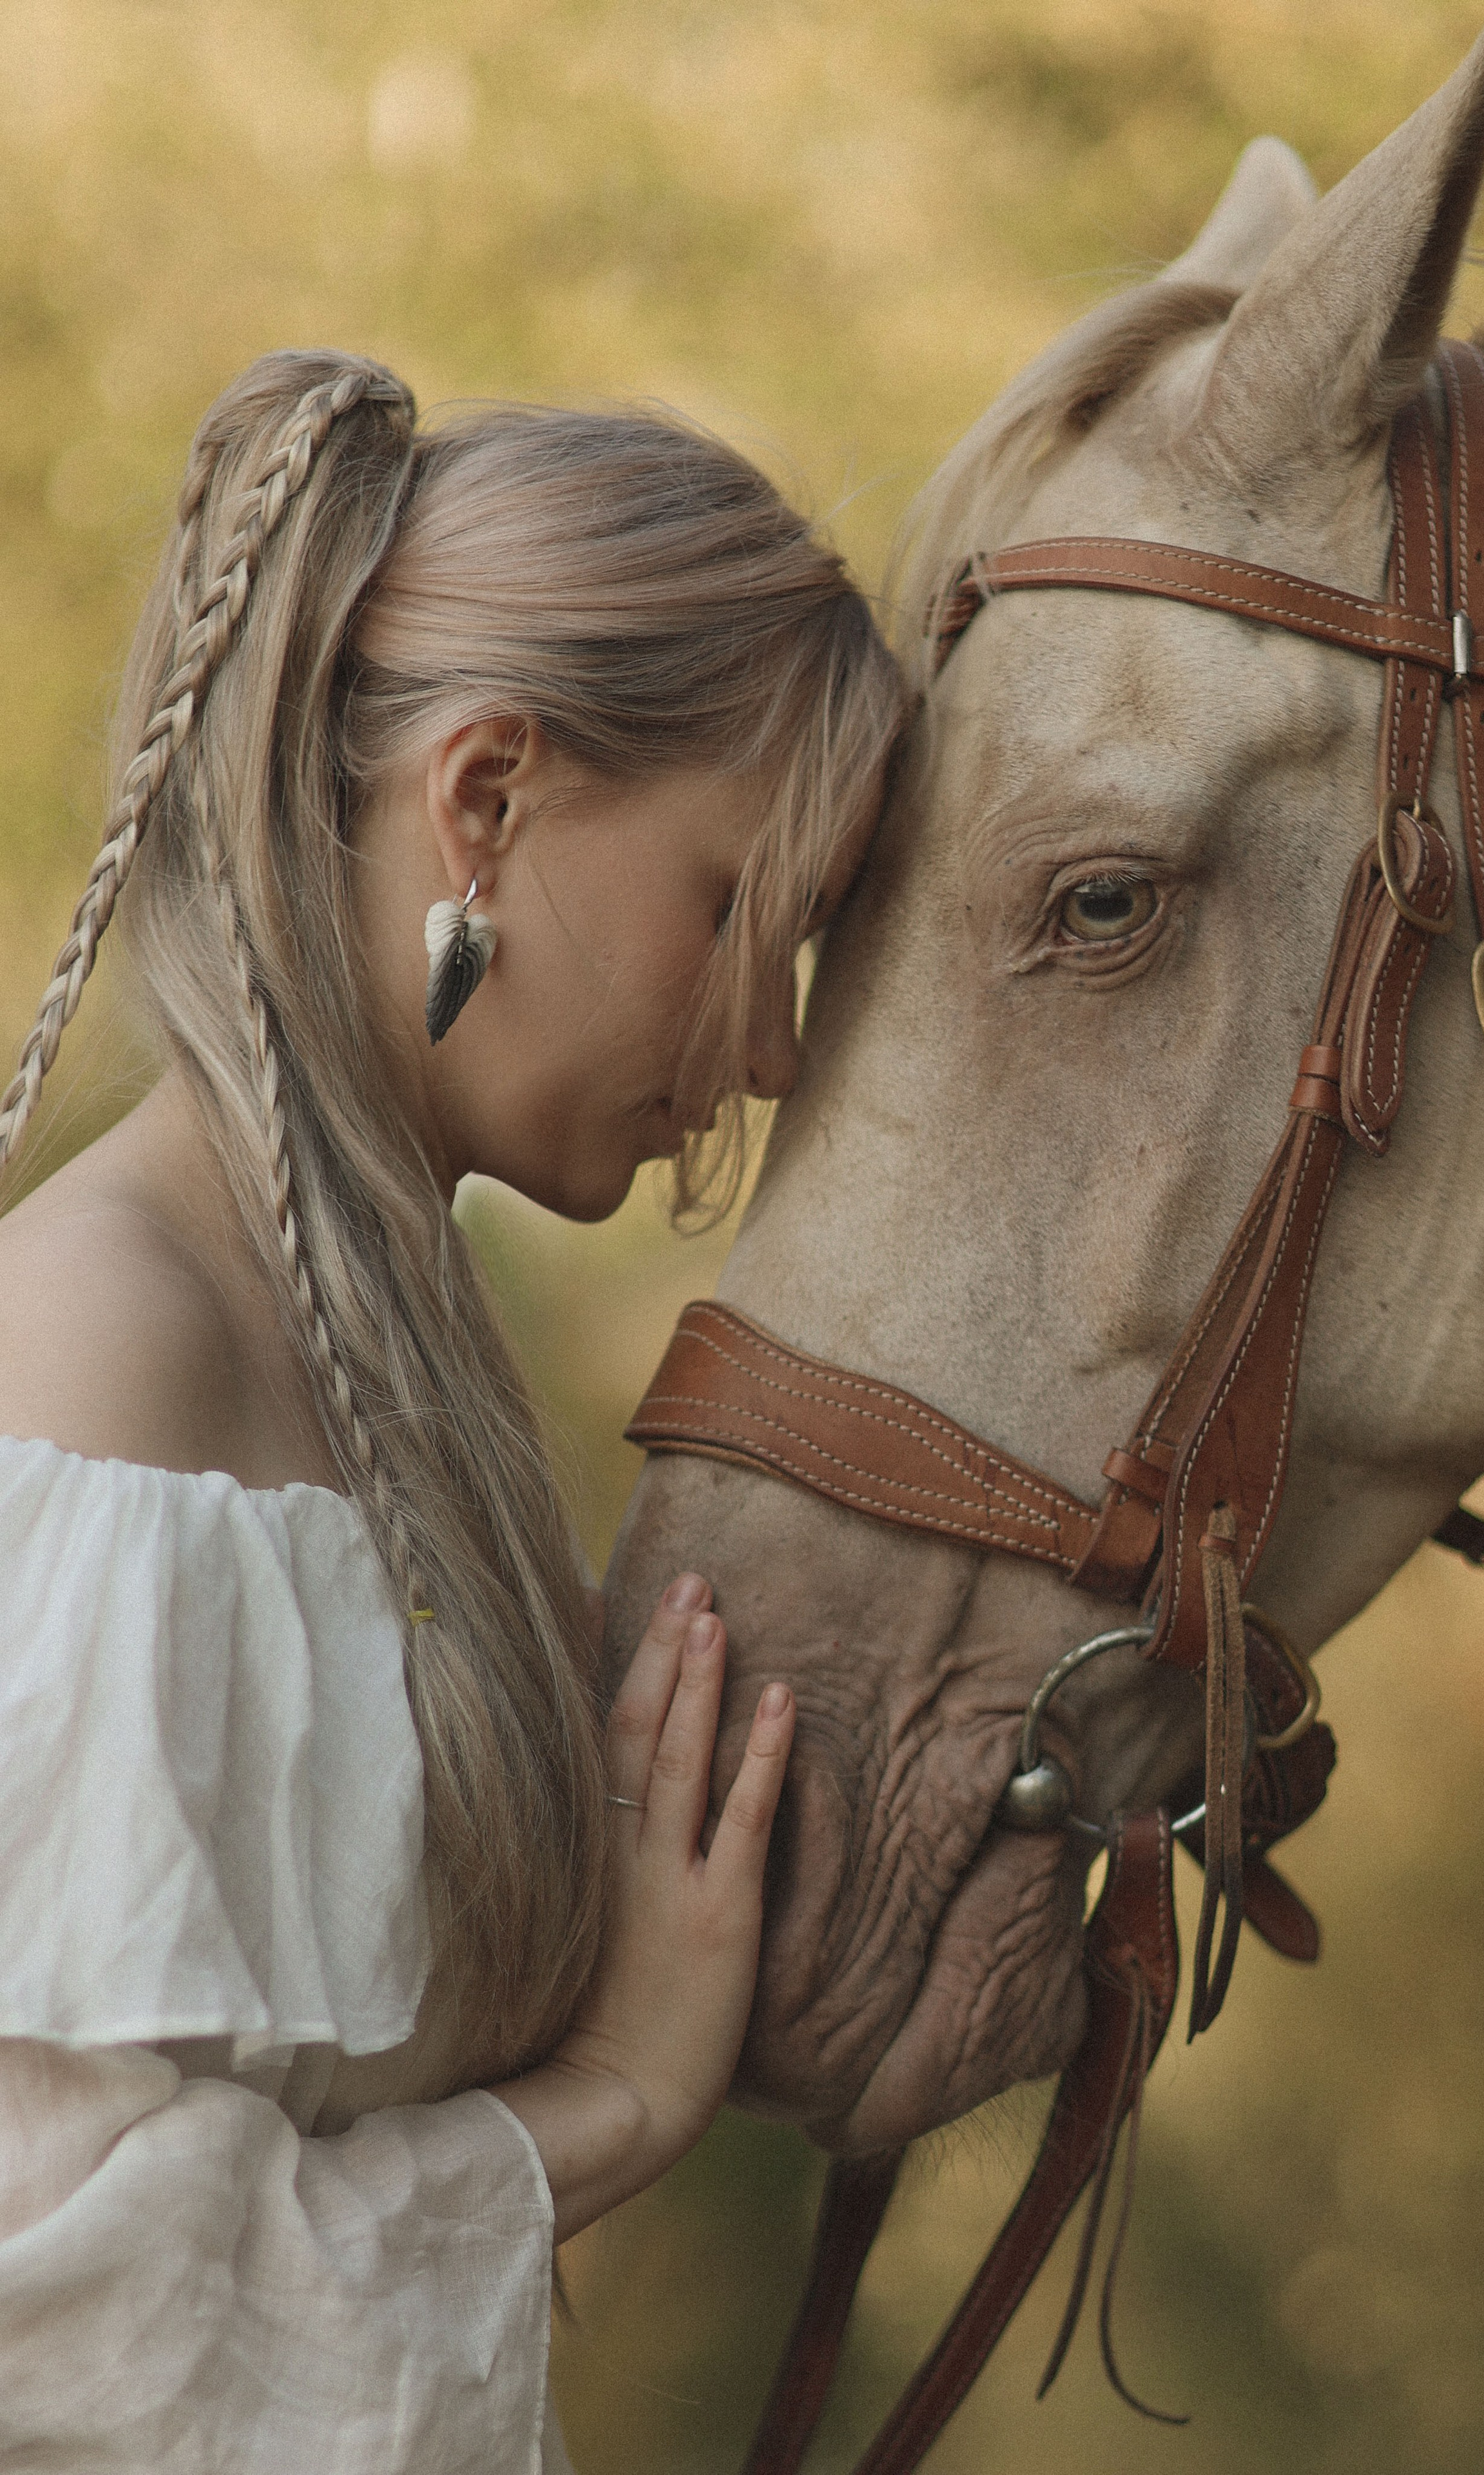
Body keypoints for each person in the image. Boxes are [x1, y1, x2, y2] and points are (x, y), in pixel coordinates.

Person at [0, 350, 901, 2470]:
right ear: (485, 800)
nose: (768, 1049)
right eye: (734, 912)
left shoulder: (370, 1347)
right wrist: (607, 2107)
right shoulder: (108, 1352)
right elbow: (63, 2334)